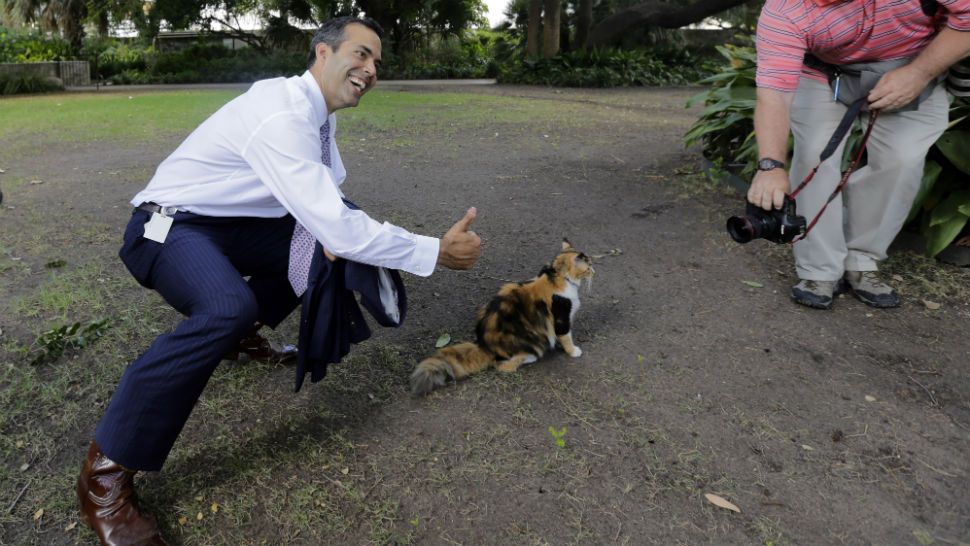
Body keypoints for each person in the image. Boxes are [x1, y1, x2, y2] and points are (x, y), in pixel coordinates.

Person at [76, 17, 481, 546]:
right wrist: (433, 250)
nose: (371, 69)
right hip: (163, 227)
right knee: (228, 305)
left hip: (218, 227)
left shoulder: (318, 117)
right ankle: (104, 476)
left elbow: (329, 215)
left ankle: (237, 336)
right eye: (361, 55)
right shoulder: (283, 115)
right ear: (322, 52)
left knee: (310, 248)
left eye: (377, 61)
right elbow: (338, 223)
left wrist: (348, 239)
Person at [749, 0, 970, 310]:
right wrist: (770, 166)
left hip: (917, 61)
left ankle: (862, 259)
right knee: (814, 155)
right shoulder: (785, 11)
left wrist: (918, 73)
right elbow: (774, 94)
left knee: (901, 161)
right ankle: (819, 270)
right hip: (824, 72)